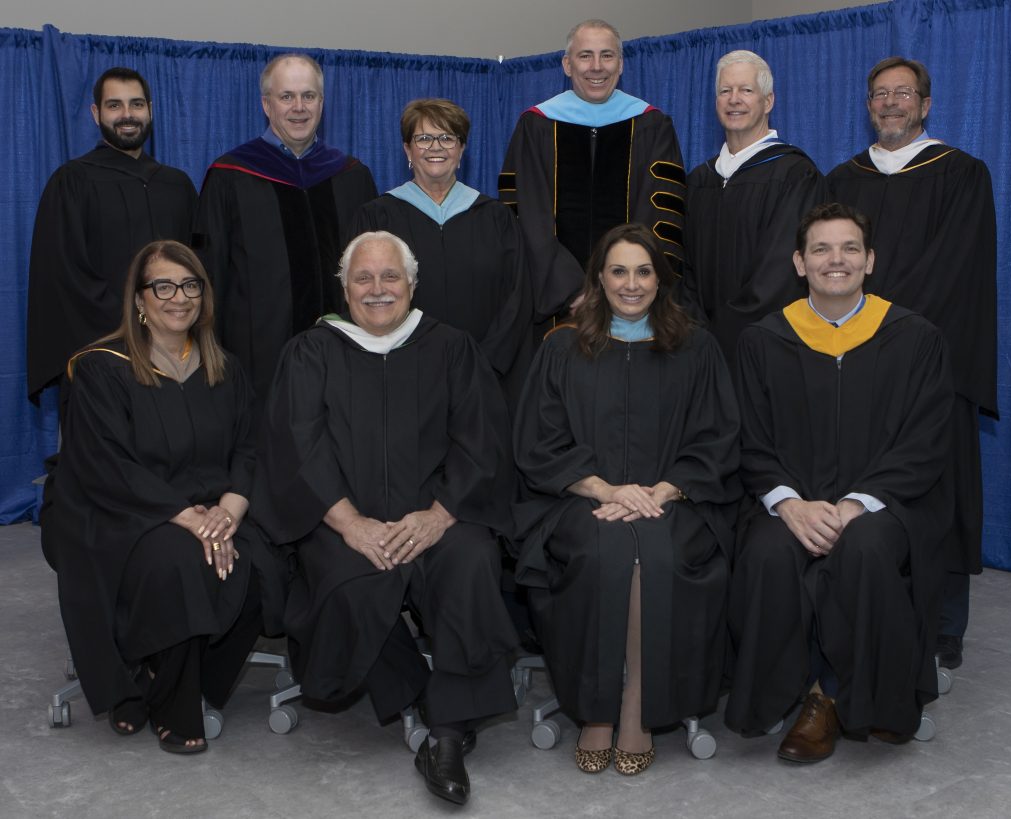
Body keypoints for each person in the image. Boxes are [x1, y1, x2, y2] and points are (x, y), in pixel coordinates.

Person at [252, 231, 518, 805]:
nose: (378, 290)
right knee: (346, 583)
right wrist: (350, 523)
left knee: (469, 562)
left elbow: (481, 439)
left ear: (413, 284)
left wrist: (440, 515)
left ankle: (442, 735)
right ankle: (433, 704)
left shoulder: (451, 348)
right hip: (341, 522)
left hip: (438, 515)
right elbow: (297, 447)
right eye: (363, 279)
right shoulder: (311, 352)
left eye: (390, 277)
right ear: (344, 290)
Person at [726, 203, 954, 762]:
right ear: (800, 263)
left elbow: (925, 441)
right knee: (767, 551)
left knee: (867, 548)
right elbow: (748, 439)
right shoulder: (763, 340)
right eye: (822, 249)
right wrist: (787, 504)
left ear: (869, 260)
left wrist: (856, 503)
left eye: (850, 248)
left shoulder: (913, 337)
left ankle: (838, 697)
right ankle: (795, 692)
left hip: (884, 503)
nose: (837, 259)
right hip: (792, 500)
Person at [40, 240, 285, 755]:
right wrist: (189, 521)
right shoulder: (102, 368)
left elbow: (250, 447)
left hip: (212, 508)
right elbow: (107, 465)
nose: (180, 297)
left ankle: (176, 683)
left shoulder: (224, 368)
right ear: (139, 299)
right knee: (178, 560)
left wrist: (228, 511)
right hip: (114, 509)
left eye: (190, 284)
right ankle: (175, 703)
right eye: (164, 286)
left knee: (266, 564)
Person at [514, 223, 741, 776]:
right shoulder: (564, 346)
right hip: (581, 500)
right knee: (603, 551)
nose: (631, 283)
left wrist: (660, 491)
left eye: (644, 271)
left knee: (651, 554)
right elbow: (537, 442)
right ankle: (596, 712)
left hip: (676, 501)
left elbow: (718, 437)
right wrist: (608, 490)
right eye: (618, 270)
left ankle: (635, 706)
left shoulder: (695, 347)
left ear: (661, 280)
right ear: (598, 279)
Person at [827, 58, 997, 672]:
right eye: (880, 94)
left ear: (926, 105)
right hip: (846, 363)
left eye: (903, 94)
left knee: (939, 488)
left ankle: (943, 624)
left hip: (929, 366)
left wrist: (883, 334)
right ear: (867, 105)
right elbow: (829, 270)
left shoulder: (961, 174)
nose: (891, 103)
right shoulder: (841, 179)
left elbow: (954, 272)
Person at [193, 53, 377, 400]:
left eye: (309, 96)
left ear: (322, 103)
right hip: (255, 360)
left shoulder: (352, 176)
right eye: (286, 96)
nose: (299, 107)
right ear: (266, 104)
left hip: (343, 355)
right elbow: (208, 272)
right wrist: (210, 352)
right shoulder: (230, 176)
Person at [498, 20, 686, 341]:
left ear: (621, 64)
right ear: (567, 65)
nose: (596, 67)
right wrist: (571, 291)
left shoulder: (651, 125)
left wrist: (626, 283)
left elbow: (662, 218)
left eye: (607, 56)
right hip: (557, 308)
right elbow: (526, 217)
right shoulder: (536, 126)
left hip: (632, 302)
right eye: (585, 56)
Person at [27, 67, 197, 402]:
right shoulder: (73, 182)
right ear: (96, 113)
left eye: (136, 104)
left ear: (150, 109)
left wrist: (170, 327)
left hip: (176, 354)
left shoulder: (177, 186)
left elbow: (200, 266)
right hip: (103, 357)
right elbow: (64, 277)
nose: (127, 115)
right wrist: (134, 332)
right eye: (114, 105)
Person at [349, 98, 532, 403]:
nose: (436, 147)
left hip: (485, 378)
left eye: (448, 138)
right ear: (408, 150)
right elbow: (364, 295)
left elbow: (517, 297)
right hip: (403, 375)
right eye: (423, 138)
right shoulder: (378, 219)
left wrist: (483, 363)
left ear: (461, 150)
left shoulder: (495, 217)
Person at [684, 50, 828, 366]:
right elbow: (684, 268)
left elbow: (780, 274)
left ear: (768, 102)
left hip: (766, 348)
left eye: (746, 90)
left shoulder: (794, 174)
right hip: (697, 348)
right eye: (725, 91)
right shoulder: (699, 180)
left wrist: (721, 335)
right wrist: (695, 331)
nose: (734, 99)